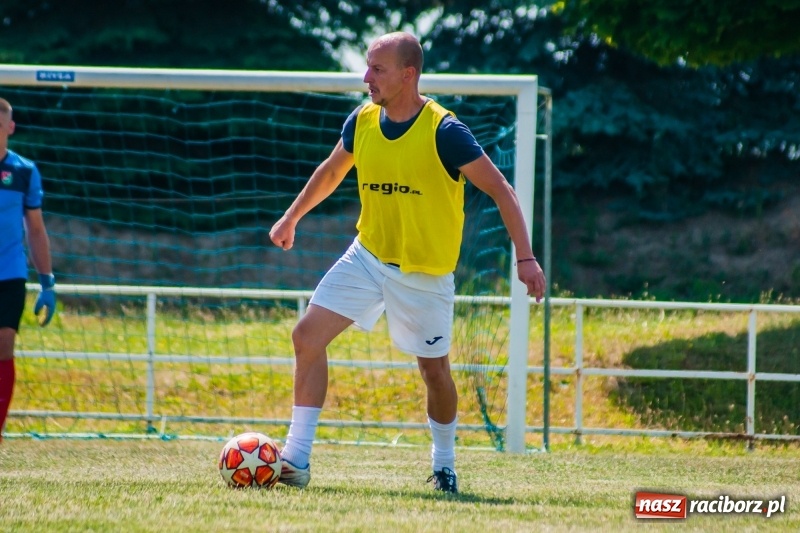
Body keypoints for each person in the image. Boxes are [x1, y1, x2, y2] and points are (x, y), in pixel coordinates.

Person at [269, 32, 545, 493]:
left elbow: (501, 190)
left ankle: (444, 464)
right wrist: (292, 216)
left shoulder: (446, 132)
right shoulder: (362, 121)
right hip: (368, 255)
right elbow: (333, 170)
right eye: (367, 67)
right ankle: (295, 460)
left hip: (424, 274)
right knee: (306, 336)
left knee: (434, 372)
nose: (366, 77)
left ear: (407, 74)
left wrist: (526, 257)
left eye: (377, 69)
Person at [0, 97, 57, 443]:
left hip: (10, 272)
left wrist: (47, 282)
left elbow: (35, 229)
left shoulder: (23, 171)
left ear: (10, 127)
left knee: (4, 345)